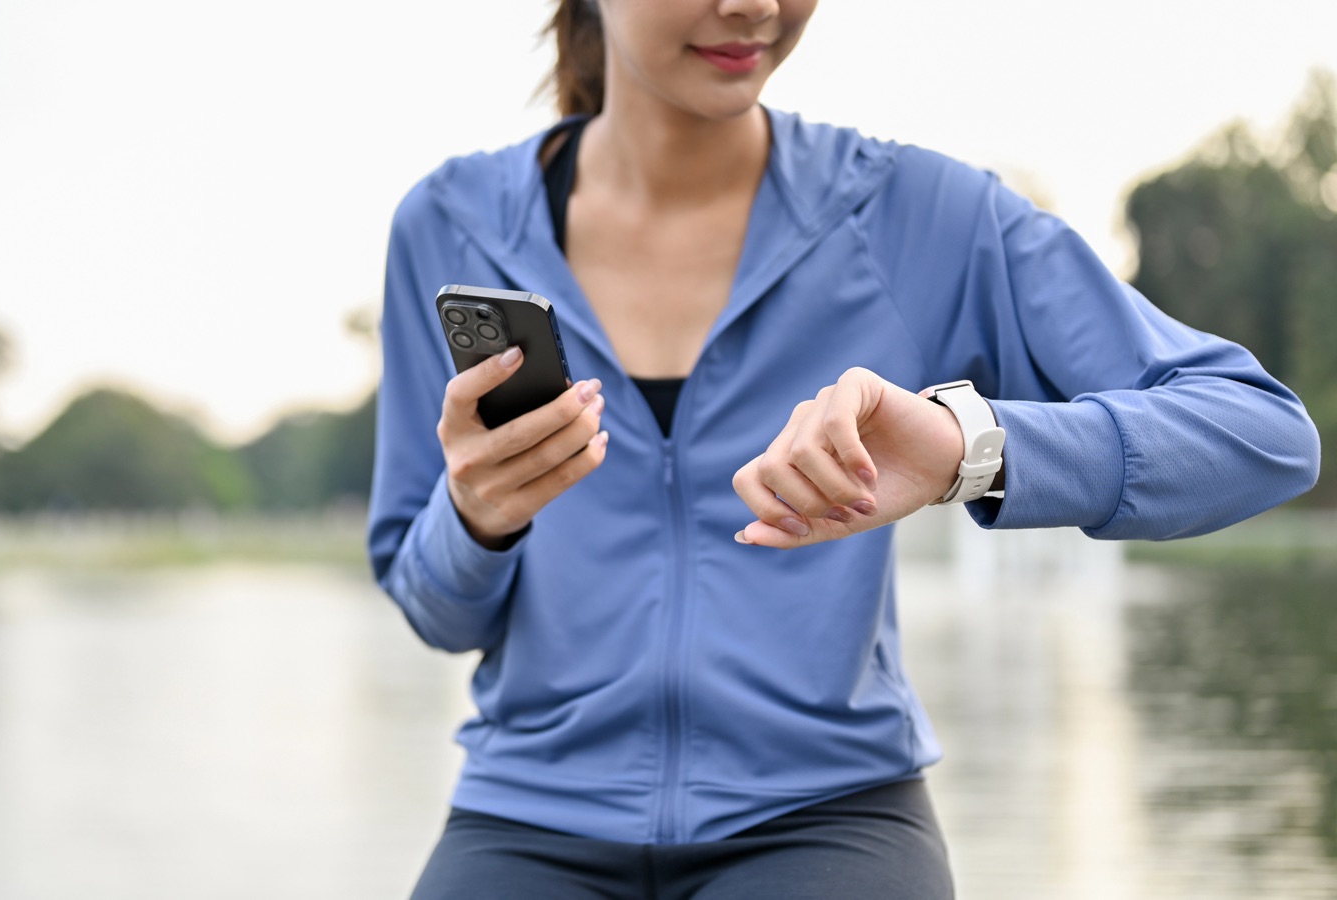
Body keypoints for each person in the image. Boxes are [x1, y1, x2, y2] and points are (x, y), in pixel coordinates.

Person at [366, 0, 1322, 896]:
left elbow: (1262, 433)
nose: (756, 6)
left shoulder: (921, 218)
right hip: (527, 817)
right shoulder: (450, 225)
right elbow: (436, 611)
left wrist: (969, 448)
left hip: (829, 818)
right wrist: (475, 519)